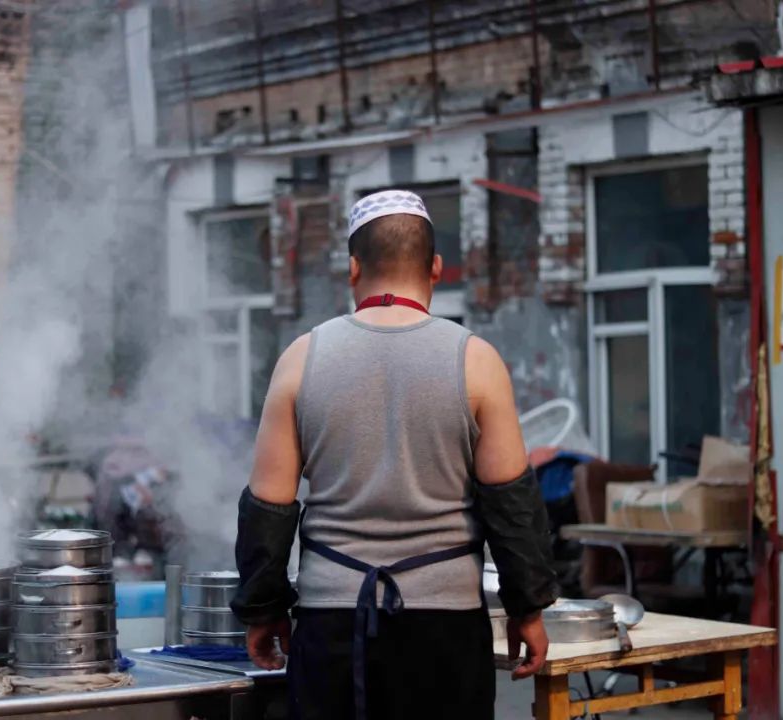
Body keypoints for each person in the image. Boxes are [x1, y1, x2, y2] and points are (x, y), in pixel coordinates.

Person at [231, 190, 559, 720]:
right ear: (436, 268)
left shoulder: (300, 359)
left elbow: (268, 507)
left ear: (353, 269)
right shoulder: (476, 360)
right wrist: (528, 609)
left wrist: (263, 611)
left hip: (331, 622)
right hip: (446, 626)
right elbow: (512, 505)